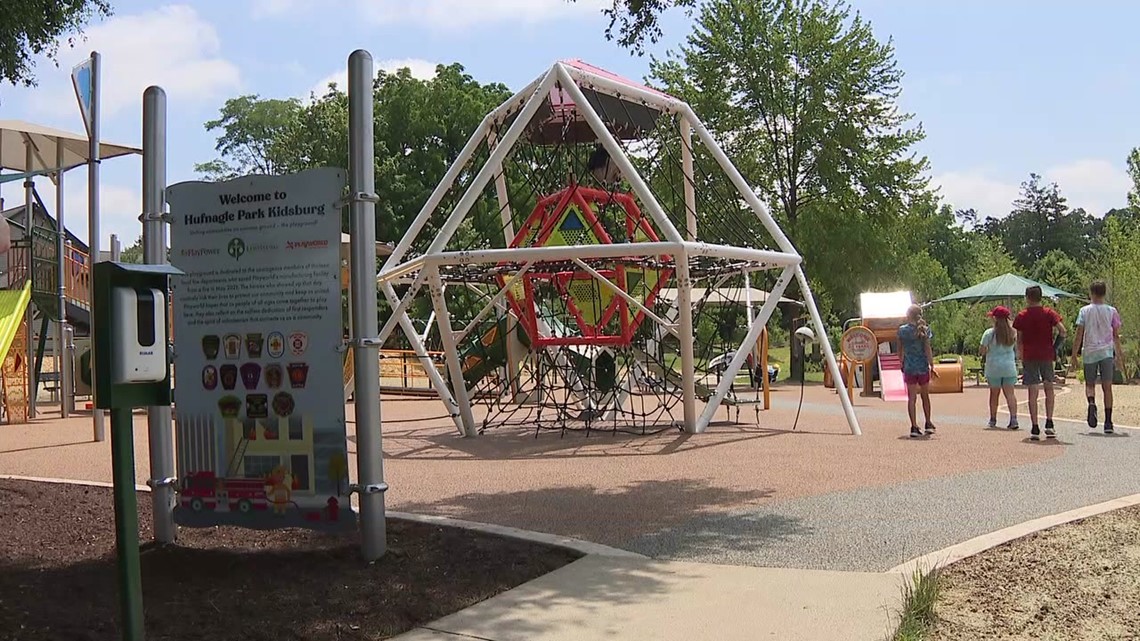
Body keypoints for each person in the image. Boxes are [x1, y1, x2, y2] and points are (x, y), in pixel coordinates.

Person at [1012, 285, 1066, 440]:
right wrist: (1054, 347)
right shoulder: (1049, 313)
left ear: (1027, 297)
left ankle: (1035, 426)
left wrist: (1021, 354)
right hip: (1046, 354)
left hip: (1030, 355)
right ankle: (1049, 422)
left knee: (1033, 391)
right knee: (1049, 388)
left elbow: (1019, 339)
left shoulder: (1022, 316)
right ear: (1040, 296)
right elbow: (1063, 331)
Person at [1070, 280, 1123, 434]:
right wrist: (1119, 355)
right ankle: (1108, 422)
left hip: (1090, 351)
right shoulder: (1112, 311)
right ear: (1104, 293)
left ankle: (1092, 403)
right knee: (1107, 387)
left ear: (1091, 293)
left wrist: (1074, 353)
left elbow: (1079, 333)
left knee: (1090, 384)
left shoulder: (1084, 311)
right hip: (1106, 351)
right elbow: (1116, 335)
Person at [898, 304, 938, 437]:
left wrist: (901, 362)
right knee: (925, 396)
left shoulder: (902, 331)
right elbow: (927, 349)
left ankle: (914, 426)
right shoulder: (924, 330)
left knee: (911, 398)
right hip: (922, 367)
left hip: (909, 367)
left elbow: (900, 349)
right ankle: (928, 422)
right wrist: (932, 365)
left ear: (908, 315)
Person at [980, 305, 1019, 430]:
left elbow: (982, 350)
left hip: (994, 367)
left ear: (995, 318)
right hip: (1009, 367)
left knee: (994, 394)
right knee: (1010, 394)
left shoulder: (989, 334)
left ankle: (993, 419)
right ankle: (1013, 419)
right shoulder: (1013, 332)